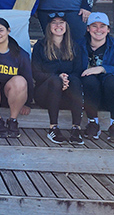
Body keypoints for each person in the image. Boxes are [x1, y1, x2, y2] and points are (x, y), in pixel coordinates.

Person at [78, 12, 114, 143]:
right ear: (88, 28)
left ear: (108, 29)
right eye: (94, 26)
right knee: (89, 79)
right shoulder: (78, 45)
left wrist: (103, 69)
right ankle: (93, 123)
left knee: (113, 80)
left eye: (102, 26)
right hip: (88, 95)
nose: (98, 30)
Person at [31, 12, 85, 145]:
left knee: (76, 80)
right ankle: (53, 128)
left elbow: (78, 71)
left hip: (67, 95)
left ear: (66, 26)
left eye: (61, 22)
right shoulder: (40, 46)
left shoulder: (74, 46)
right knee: (55, 80)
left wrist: (67, 79)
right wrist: (57, 78)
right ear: (49, 27)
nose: (58, 25)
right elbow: (35, 73)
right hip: (45, 94)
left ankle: (76, 128)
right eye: (54, 22)